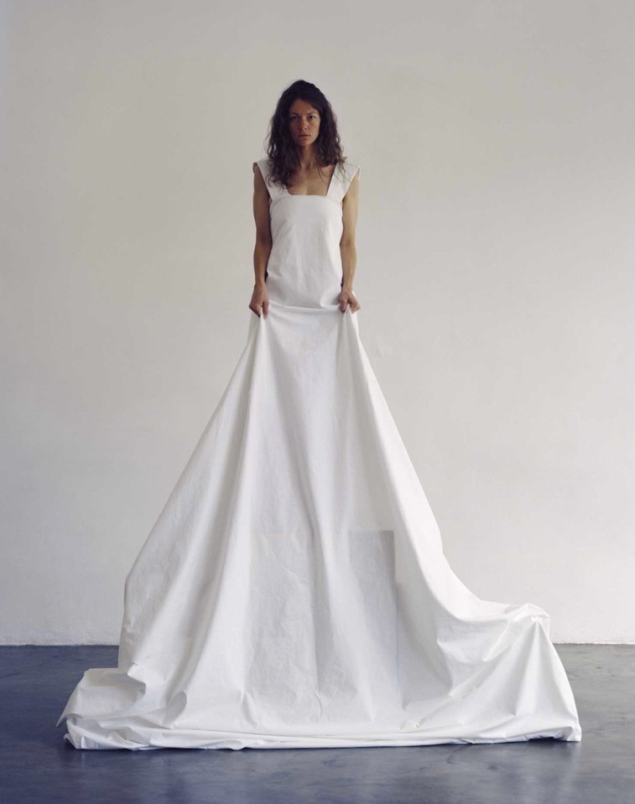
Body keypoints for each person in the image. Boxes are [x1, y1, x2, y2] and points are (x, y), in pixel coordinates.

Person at [56, 80, 582, 750]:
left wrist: (350, 286)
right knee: (265, 428)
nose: (303, 124)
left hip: (328, 314)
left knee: (342, 429)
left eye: (311, 116)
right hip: (280, 314)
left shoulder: (345, 177)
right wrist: (256, 287)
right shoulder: (266, 175)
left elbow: (349, 242)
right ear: (283, 123)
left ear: (322, 121)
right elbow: (261, 239)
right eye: (294, 116)